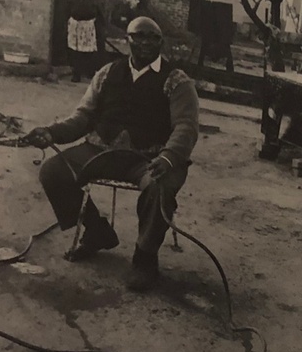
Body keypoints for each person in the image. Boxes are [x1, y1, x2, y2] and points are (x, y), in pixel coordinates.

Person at [23, 16, 199, 292]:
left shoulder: (177, 81)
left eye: (151, 38)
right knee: (53, 171)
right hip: (100, 150)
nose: (143, 43)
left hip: (148, 159)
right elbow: (82, 118)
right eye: (137, 36)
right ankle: (97, 232)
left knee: (159, 188)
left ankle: (144, 258)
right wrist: (51, 133)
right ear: (127, 40)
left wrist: (168, 157)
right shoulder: (107, 73)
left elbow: (186, 126)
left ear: (160, 42)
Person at [66, 0, 102, 83]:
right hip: (75, 27)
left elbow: (99, 14)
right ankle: (76, 74)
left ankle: (89, 72)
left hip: (87, 28)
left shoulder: (93, 1)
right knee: (75, 51)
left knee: (88, 51)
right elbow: (67, 11)